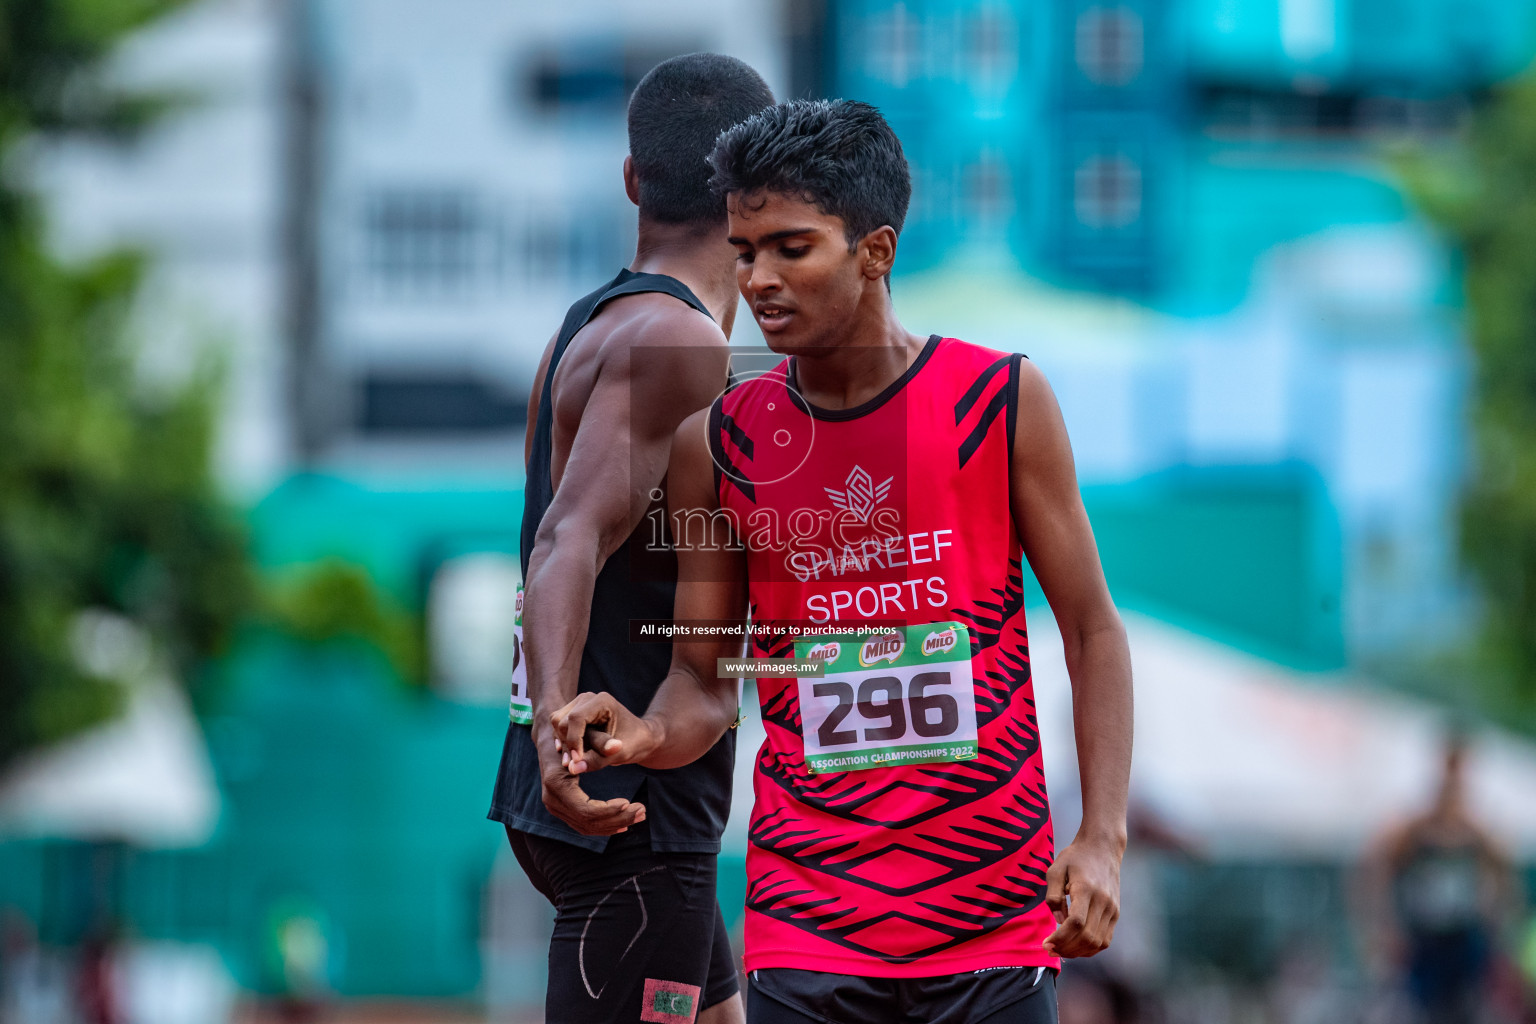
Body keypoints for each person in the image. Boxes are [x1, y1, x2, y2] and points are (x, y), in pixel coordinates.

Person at [552, 99, 1134, 1024]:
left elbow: (1094, 630)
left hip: (994, 921)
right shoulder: (723, 442)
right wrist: (642, 733)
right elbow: (705, 681)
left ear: (876, 250)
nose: (759, 280)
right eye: (744, 252)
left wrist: (1102, 837)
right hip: (807, 927)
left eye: (792, 247)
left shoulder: (999, 401)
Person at [486, 53, 773, 1024]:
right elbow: (566, 536)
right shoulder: (680, 346)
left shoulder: (586, 326)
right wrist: (564, 737)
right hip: (630, 817)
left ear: (631, 181)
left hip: (607, 799)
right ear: (758, 197)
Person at [1363, 731, 1521, 1024]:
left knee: (1467, 1007)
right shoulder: (1417, 830)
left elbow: (1504, 871)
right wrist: (1384, 923)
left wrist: (1496, 918)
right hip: (1425, 937)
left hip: (1462, 935)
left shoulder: (1475, 831)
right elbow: (1376, 868)